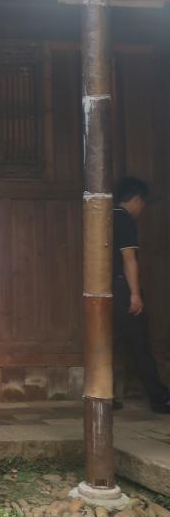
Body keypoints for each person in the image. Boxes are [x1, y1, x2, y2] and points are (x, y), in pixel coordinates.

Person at [111, 177, 170, 414]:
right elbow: (129, 260)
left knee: (108, 344)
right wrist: (135, 294)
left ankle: (103, 395)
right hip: (122, 288)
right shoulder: (125, 220)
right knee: (140, 345)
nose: (142, 208)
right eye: (142, 203)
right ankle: (159, 398)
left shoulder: (105, 217)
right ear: (136, 199)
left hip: (104, 290)